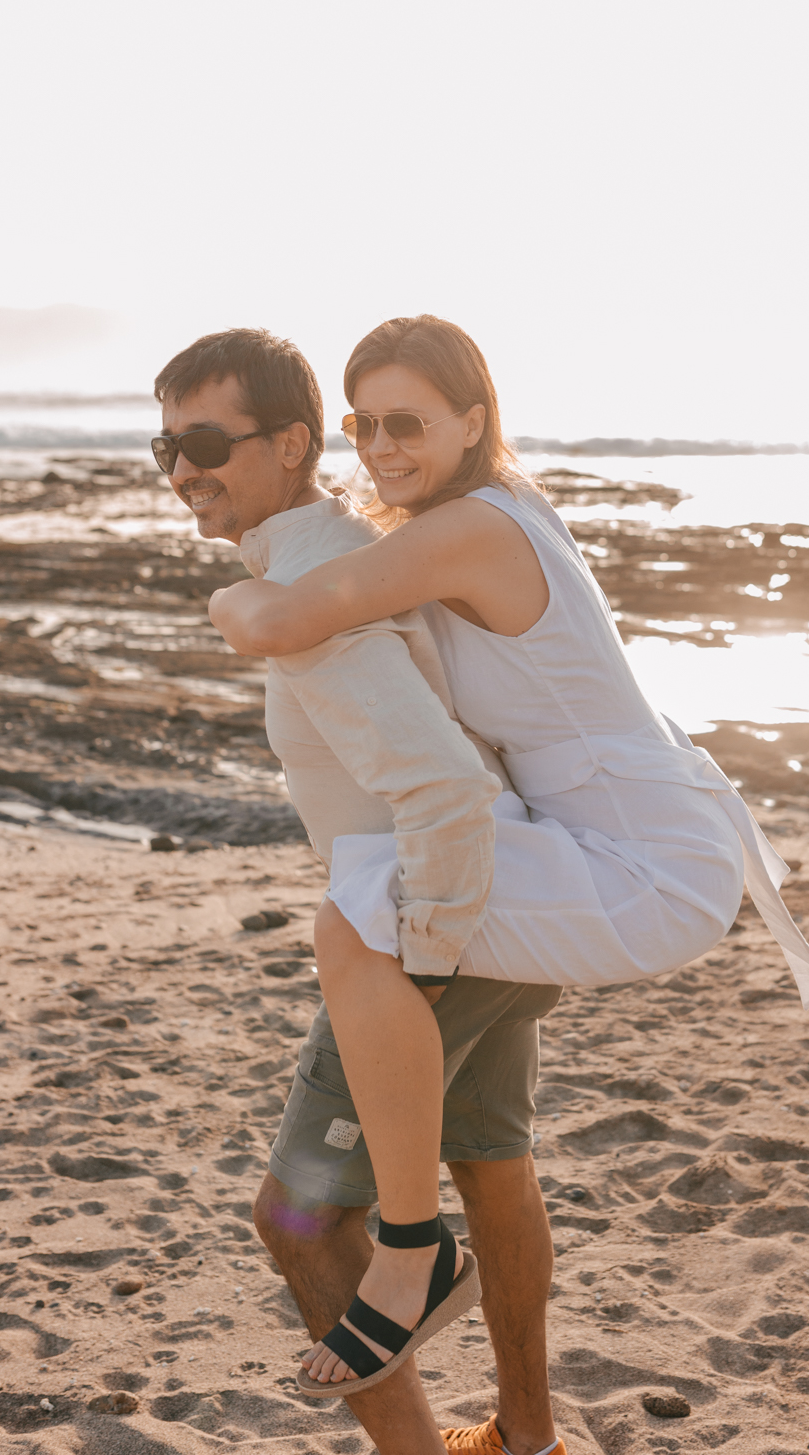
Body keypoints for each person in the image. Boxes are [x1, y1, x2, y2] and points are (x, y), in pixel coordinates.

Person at [209, 314, 809, 1402]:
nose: (383, 447)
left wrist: (229, 593)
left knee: (354, 922)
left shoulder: (467, 529)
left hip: (637, 863)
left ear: (473, 420)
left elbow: (288, 618)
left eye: (408, 423)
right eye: (364, 425)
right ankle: (524, 1425)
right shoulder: (482, 508)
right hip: (604, 832)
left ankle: (411, 1250)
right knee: (485, 1139)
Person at [154, 327, 566, 1455]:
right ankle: (527, 1440)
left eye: (206, 443)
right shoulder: (343, 546)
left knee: (297, 1220)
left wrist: (417, 969)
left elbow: (439, 787)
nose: (183, 469)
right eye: (166, 447)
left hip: (426, 923)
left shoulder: (314, 589)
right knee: (490, 1164)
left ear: (292, 443)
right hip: (496, 903)